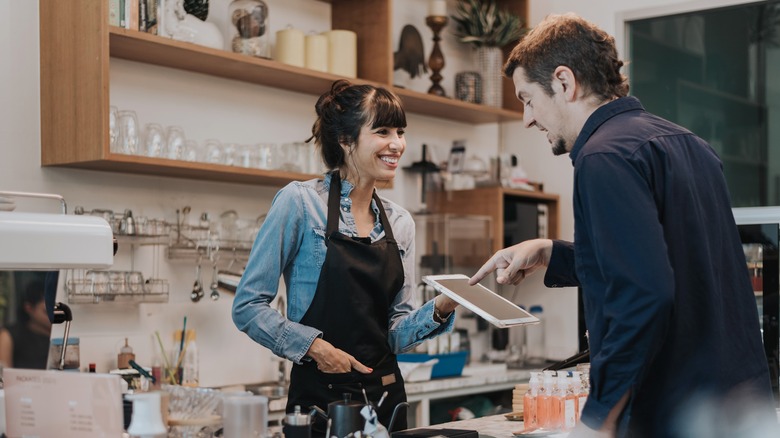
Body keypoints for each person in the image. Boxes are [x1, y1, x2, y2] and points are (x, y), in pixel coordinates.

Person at [468, 13, 777, 438]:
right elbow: (671, 264)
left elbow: (643, 293)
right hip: (738, 408)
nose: (527, 118)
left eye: (527, 99)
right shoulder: (692, 146)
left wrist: (598, 415)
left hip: (675, 412)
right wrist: (552, 253)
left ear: (563, 82)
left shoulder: (602, 157)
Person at [233, 79, 459, 435]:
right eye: (382, 131)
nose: (397, 143)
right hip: (320, 402)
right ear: (345, 140)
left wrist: (444, 306)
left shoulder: (400, 223)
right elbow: (247, 306)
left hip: (387, 399)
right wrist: (315, 347)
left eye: (400, 131)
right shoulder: (300, 204)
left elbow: (394, 334)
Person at [0, 280, 52, 369]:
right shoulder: (9, 336)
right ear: (29, 308)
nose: (52, 316)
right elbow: (4, 377)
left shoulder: (63, 336)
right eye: (46, 312)